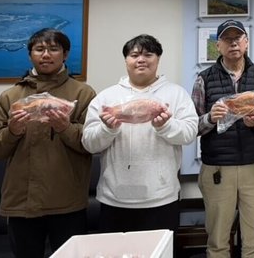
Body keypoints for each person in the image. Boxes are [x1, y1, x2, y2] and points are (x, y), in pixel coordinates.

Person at [0, 28, 96, 258]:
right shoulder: (11, 96)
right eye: (40, 49)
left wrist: (65, 127)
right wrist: (12, 131)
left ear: (65, 54)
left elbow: (93, 144)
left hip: (67, 202)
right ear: (30, 54)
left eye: (54, 49)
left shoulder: (83, 94)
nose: (46, 54)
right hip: (21, 202)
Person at [82, 34, 198, 233]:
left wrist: (165, 126)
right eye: (134, 55)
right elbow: (89, 144)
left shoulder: (176, 94)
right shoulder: (107, 97)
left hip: (161, 198)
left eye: (148, 54)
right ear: (126, 60)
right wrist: (107, 129)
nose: (141, 59)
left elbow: (189, 134)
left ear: (158, 59)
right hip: (114, 199)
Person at [191, 20, 254, 258]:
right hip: (217, 168)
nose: (233, 43)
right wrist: (210, 119)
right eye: (227, 39)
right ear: (218, 46)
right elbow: (190, 126)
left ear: (246, 42)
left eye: (238, 38)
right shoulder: (203, 79)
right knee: (217, 240)